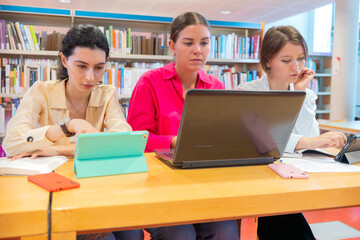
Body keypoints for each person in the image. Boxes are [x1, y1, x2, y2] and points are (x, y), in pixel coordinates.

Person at [3, 24, 143, 240]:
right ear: (64, 60)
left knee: (132, 232)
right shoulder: (41, 91)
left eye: (99, 68)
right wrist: (66, 127)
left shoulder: (107, 94)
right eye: (81, 66)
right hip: (50, 191)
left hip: (94, 187)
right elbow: (11, 142)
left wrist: (56, 150)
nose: (90, 77)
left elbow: (122, 143)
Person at [127, 12, 239, 240]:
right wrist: (173, 141)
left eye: (204, 43)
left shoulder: (216, 86)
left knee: (226, 230)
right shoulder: (150, 82)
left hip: (205, 185)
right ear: (173, 46)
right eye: (188, 43)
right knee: (180, 234)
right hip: (160, 187)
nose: (198, 50)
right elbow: (135, 138)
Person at [238, 25, 347, 240]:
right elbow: (264, 141)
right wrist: (308, 141)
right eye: (287, 60)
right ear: (268, 61)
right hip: (259, 176)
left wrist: (300, 94)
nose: (296, 67)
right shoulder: (247, 92)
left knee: (282, 223)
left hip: (294, 173)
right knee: (286, 224)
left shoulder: (305, 94)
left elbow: (311, 136)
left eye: (301, 59)